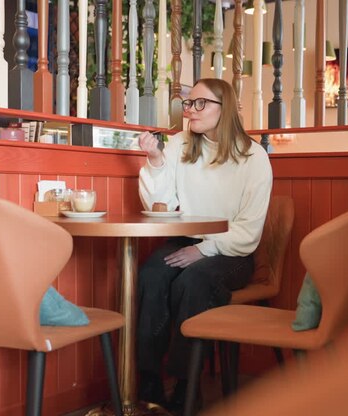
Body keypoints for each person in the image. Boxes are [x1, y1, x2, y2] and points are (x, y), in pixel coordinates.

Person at [136, 78, 273, 412]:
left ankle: (188, 383)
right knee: (152, 273)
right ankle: (149, 380)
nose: (190, 110)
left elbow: (249, 232)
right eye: (188, 103)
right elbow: (161, 205)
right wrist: (155, 160)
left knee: (193, 281)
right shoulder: (179, 144)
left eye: (200, 103)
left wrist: (204, 249)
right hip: (185, 239)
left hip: (232, 251)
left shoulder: (253, 156)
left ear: (224, 110)